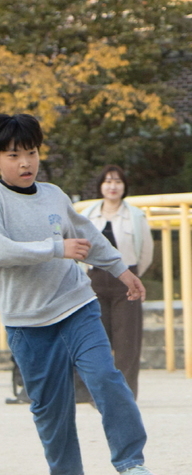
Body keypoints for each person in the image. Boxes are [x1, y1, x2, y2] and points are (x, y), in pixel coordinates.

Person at [0, 113, 163, 475]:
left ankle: (130, 462)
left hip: (76, 303)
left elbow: (89, 239)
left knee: (106, 377)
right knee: (51, 405)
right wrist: (55, 248)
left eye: (32, 152)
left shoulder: (55, 195)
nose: (26, 163)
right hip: (26, 321)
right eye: (13, 155)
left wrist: (121, 270)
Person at [82, 165, 153, 399]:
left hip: (126, 281)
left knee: (127, 341)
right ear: (101, 186)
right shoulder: (88, 215)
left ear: (124, 187)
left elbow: (146, 252)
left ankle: (125, 394)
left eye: (118, 182)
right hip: (95, 280)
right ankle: (96, 393)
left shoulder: (135, 216)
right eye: (108, 181)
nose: (113, 186)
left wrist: (132, 275)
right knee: (96, 339)